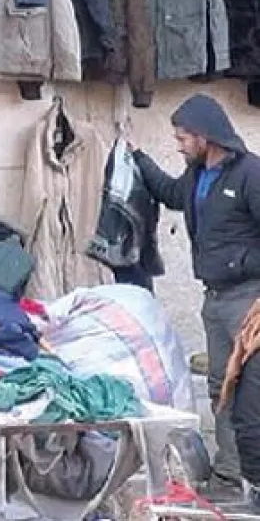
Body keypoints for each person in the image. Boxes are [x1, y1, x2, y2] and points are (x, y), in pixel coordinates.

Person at [132, 92, 260, 495]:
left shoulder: (250, 174)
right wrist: (136, 159)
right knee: (221, 385)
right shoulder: (197, 173)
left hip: (247, 296)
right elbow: (170, 194)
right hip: (215, 299)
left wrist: (242, 264)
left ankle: (251, 476)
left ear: (206, 136)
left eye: (184, 137)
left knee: (248, 390)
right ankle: (228, 474)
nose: (179, 143)